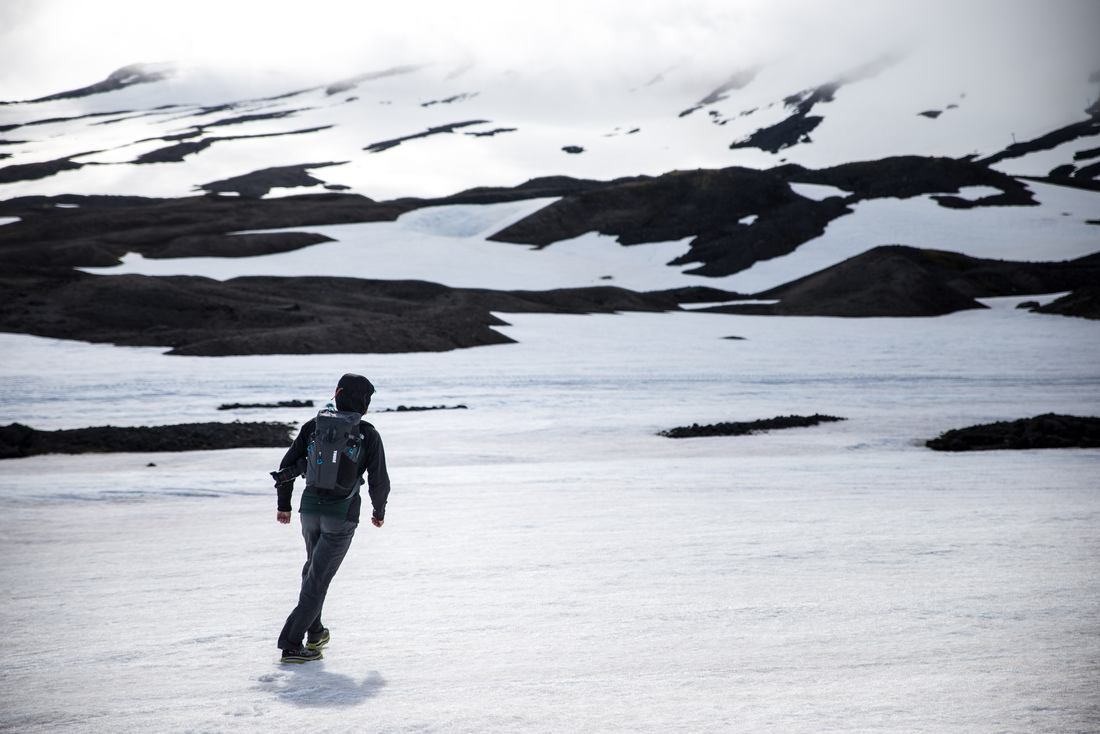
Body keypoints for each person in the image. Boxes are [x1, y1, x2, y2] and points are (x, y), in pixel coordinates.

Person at [273, 373, 390, 663]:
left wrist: (284, 505)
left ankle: (315, 633)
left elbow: (287, 466)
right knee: (317, 579)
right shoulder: (368, 434)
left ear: (338, 393)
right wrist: (378, 511)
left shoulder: (314, 425)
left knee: (313, 572)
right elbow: (379, 480)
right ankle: (291, 643)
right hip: (341, 516)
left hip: (309, 511)